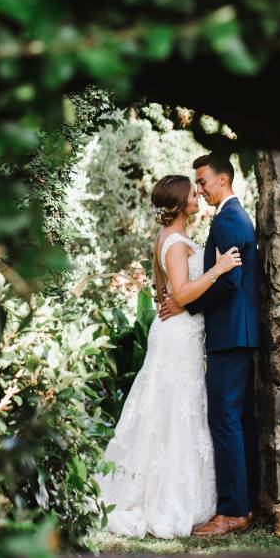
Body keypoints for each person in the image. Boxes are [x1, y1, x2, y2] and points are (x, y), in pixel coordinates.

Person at [95, 174, 242, 538]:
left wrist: (179, 297)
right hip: (178, 337)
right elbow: (181, 292)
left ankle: (176, 491)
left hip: (178, 332)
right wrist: (217, 270)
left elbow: (169, 294)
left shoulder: (168, 238)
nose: (198, 196)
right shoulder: (175, 243)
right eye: (193, 193)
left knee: (171, 409)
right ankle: (167, 498)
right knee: (175, 409)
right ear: (179, 203)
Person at [159, 153, 260, 538]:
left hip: (231, 335)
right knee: (239, 420)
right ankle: (245, 505)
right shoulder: (229, 218)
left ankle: (232, 512)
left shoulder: (230, 219)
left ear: (223, 179)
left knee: (225, 419)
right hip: (235, 334)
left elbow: (229, 282)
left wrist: (186, 303)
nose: (199, 189)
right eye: (196, 184)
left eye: (202, 182)